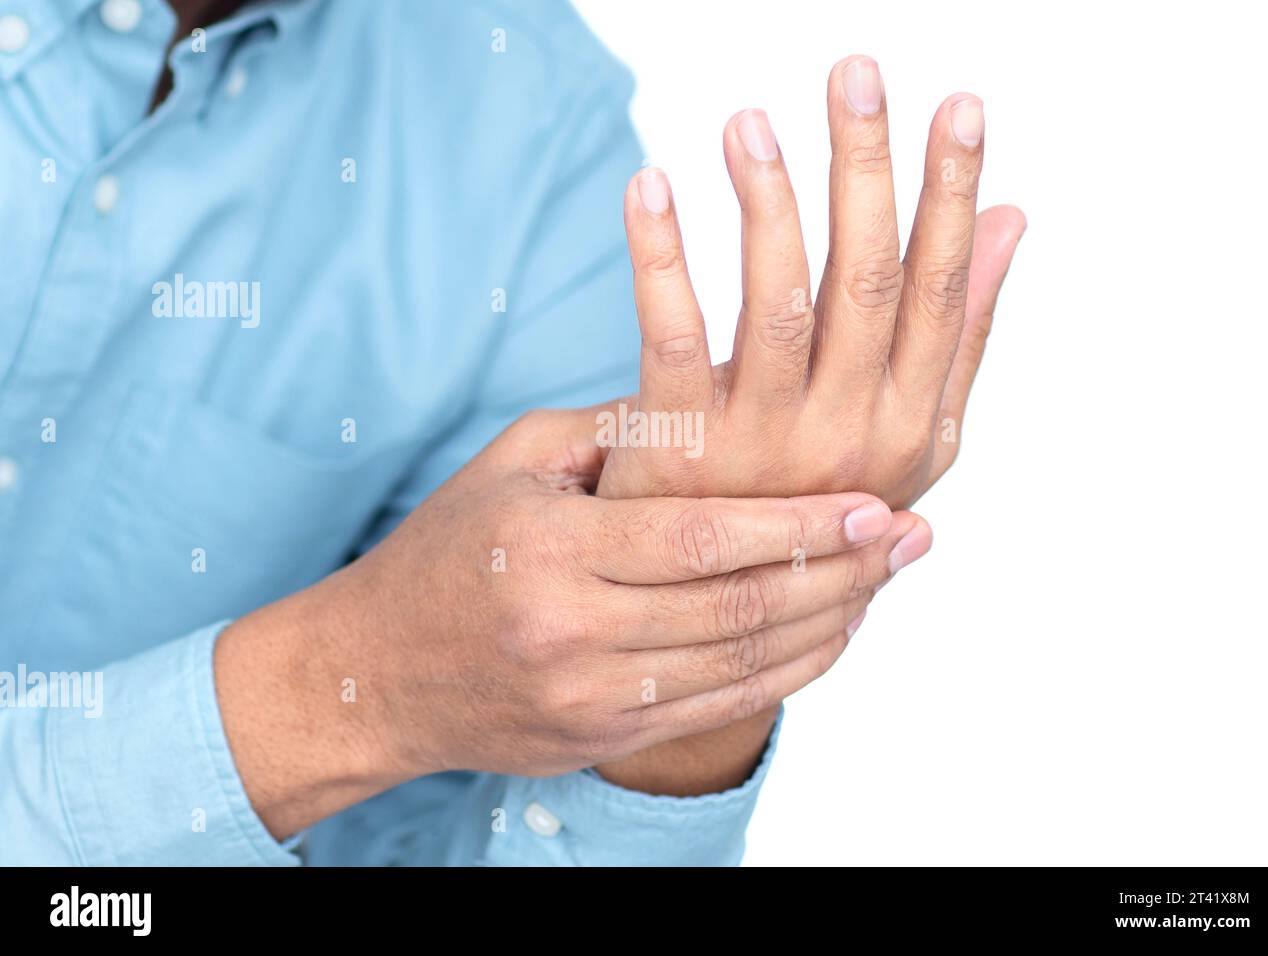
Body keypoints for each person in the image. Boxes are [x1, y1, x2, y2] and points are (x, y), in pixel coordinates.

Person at [0, 0, 1023, 865]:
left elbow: (424, 836)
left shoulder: (525, 118)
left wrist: (700, 634)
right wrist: (345, 682)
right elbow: (375, 695)